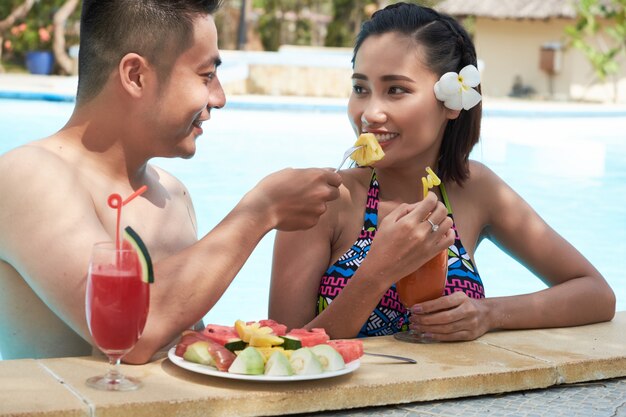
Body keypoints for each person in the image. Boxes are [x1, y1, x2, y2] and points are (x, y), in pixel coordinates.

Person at [0, 0, 341, 364]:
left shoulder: (172, 194)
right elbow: (135, 335)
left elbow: (186, 352)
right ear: (136, 76)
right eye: (206, 75)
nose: (220, 98)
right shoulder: (27, 175)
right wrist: (261, 211)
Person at [268, 2, 615, 340]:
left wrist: (488, 314)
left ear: (450, 103)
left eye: (396, 90)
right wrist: (378, 272)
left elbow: (596, 294)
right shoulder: (321, 200)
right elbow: (284, 349)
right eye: (361, 88)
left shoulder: (474, 189)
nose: (370, 113)